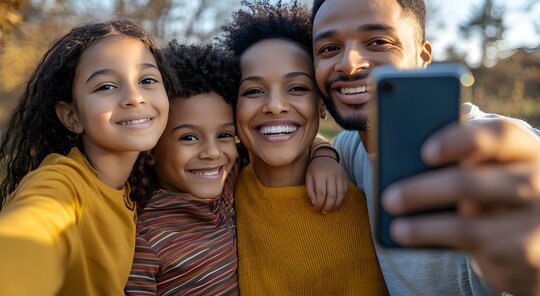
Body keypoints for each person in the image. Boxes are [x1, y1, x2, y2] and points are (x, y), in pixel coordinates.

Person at [311, 0, 540, 296]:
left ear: (423, 56)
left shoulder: (489, 149)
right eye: (329, 48)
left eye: (377, 42)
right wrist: (322, 153)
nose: (349, 63)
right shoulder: (349, 149)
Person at [125, 41, 347, 295]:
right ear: (150, 148)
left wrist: (324, 156)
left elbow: (289, 139)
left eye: (224, 135)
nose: (211, 153)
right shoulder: (143, 238)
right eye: (189, 137)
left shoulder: (227, 179)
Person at [221, 0, 388, 295]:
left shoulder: (360, 211)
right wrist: (323, 152)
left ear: (321, 104)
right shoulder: (218, 189)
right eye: (254, 90)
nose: (274, 106)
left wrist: (324, 153)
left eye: (297, 88)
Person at [0, 19, 172, 296]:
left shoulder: (136, 188)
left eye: (147, 80)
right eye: (106, 86)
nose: (134, 97)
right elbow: (29, 233)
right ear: (72, 116)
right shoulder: (59, 184)